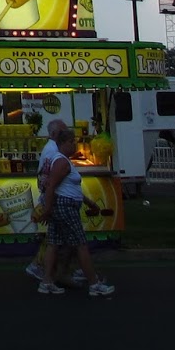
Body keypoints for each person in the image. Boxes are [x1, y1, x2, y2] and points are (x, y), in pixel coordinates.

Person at [34, 120, 114, 297]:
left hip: (61, 205)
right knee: (80, 244)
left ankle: (47, 281)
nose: (75, 145)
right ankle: (94, 283)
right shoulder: (61, 162)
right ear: (64, 143)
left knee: (54, 243)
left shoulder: (60, 160)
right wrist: (47, 210)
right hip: (65, 207)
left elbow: (55, 186)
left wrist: (88, 202)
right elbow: (51, 186)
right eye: (72, 142)